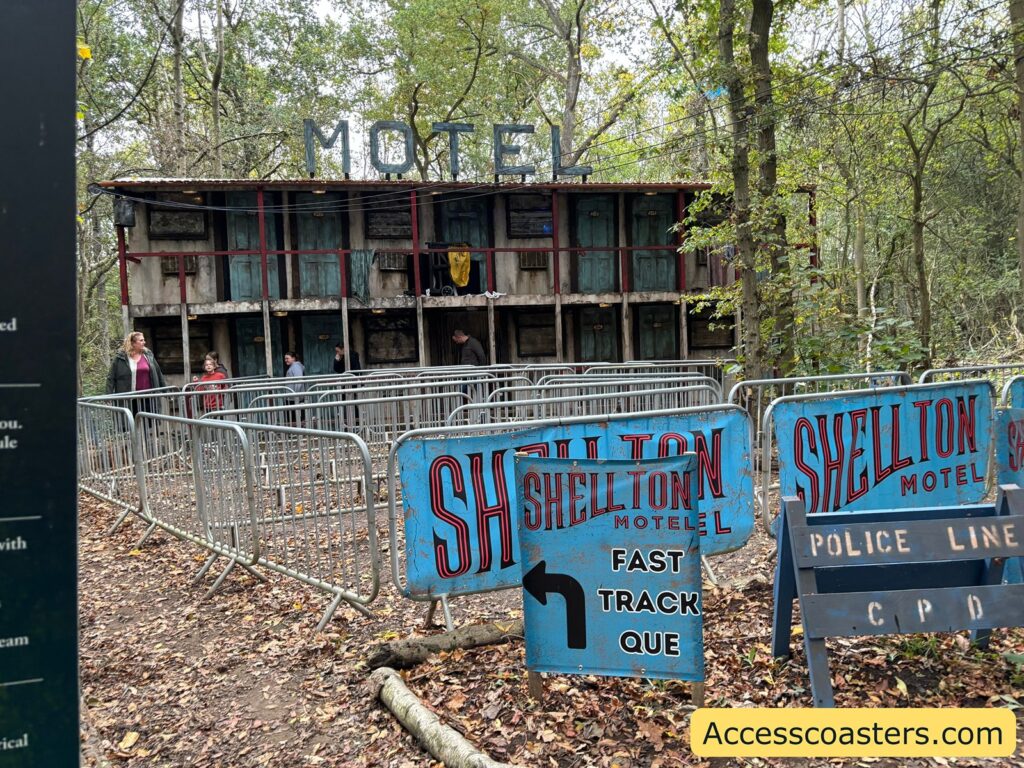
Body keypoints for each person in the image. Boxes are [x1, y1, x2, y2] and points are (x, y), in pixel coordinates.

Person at [106, 331, 167, 396]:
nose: (144, 342)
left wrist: (166, 392)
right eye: (141, 340)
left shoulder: (148, 355)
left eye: (144, 340)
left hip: (149, 397)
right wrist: (108, 395)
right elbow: (111, 377)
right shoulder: (120, 358)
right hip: (128, 398)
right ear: (133, 343)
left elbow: (158, 373)